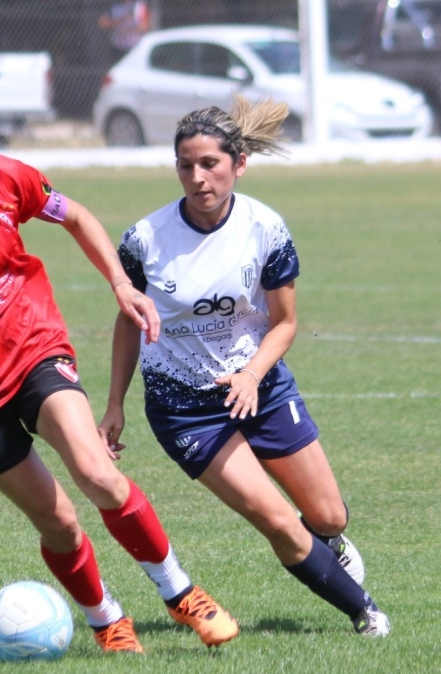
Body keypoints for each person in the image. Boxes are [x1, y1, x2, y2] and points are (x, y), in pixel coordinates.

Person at [0, 64, 239, 653]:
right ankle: (106, 618)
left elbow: (76, 216)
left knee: (97, 473)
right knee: (56, 520)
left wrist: (120, 283)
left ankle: (180, 592)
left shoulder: (9, 177)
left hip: (31, 349)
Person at [99, 95, 390, 636]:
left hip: (260, 384)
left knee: (327, 517)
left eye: (209, 163)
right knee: (278, 521)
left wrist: (252, 375)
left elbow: (284, 323)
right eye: (186, 165)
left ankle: (325, 544)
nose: (197, 177)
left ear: (239, 163)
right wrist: (114, 402)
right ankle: (365, 611)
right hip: (186, 411)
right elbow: (127, 320)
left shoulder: (265, 229)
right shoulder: (145, 239)